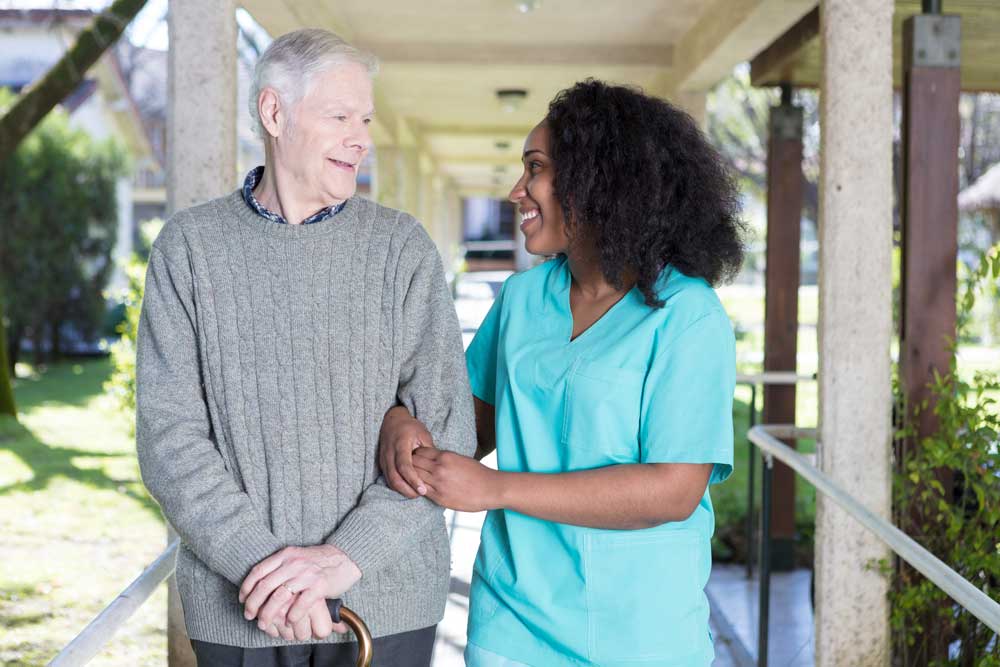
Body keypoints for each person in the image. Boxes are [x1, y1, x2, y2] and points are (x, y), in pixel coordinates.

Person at [135, 28, 474, 666]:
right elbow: (168, 436)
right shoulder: (188, 249)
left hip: (385, 601)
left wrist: (344, 560)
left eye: (366, 119)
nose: (362, 138)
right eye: (340, 115)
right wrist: (269, 570)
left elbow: (448, 432)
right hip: (238, 602)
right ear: (274, 112)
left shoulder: (401, 250)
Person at [378, 79, 744, 666]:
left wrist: (496, 489)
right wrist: (400, 419)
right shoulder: (523, 299)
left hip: (642, 633)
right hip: (512, 623)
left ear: (601, 180)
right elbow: (462, 426)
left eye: (535, 169)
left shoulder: (688, 316)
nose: (516, 190)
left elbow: (675, 489)